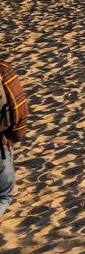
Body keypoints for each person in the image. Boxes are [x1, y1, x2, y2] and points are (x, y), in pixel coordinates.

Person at [1, 60, 27, 220]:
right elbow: (19, 109)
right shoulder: (3, 70)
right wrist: (13, 138)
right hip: (0, 143)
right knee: (4, 195)